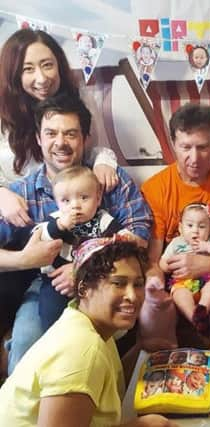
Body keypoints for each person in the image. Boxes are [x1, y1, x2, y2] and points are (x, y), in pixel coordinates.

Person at [0, 93, 152, 375]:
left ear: (85, 138)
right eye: (51, 133)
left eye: (70, 133)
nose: (61, 142)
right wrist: (23, 259)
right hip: (47, 284)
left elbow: (139, 238)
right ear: (38, 138)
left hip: (108, 284)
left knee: (93, 353)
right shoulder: (24, 193)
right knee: (27, 343)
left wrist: (84, 269)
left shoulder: (112, 183)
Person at [140, 102, 210, 426]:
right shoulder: (155, 188)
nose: (194, 157)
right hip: (174, 279)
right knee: (155, 309)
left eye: (203, 147)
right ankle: (166, 414)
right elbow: (154, 259)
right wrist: (156, 283)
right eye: (186, 147)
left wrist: (206, 263)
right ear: (173, 144)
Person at [0, 28, 119, 340]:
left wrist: (106, 159)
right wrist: (1, 194)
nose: (40, 77)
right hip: (17, 221)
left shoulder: (79, 101)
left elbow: (95, 144)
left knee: (51, 313)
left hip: (63, 245)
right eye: (28, 68)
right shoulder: (4, 114)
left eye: (47, 64)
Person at [0, 237, 177, 427]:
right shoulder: (81, 349)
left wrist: (140, 351)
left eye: (138, 284)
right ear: (83, 289)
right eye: (118, 283)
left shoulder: (86, 324)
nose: (132, 296)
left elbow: (99, 384)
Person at [36, 165, 134, 331]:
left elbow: (124, 241)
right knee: (51, 314)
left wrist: (117, 240)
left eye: (83, 197)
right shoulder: (55, 220)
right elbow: (40, 237)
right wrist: (59, 226)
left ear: (98, 198)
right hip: (55, 283)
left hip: (93, 281)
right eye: (66, 201)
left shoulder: (103, 220)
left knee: (98, 317)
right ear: (56, 202)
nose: (75, 206)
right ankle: (56, 340)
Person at [159, 201, 210, 335]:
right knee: (179, 293)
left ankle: (203, 308)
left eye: (201, 226)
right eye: (190, 225)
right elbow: (163, 261)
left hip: (207, 278)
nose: (195, 230)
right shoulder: (177, 243)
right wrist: (167, 266)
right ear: (181, 228)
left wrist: (208, 247)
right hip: (183, 282)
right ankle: (193, 317)